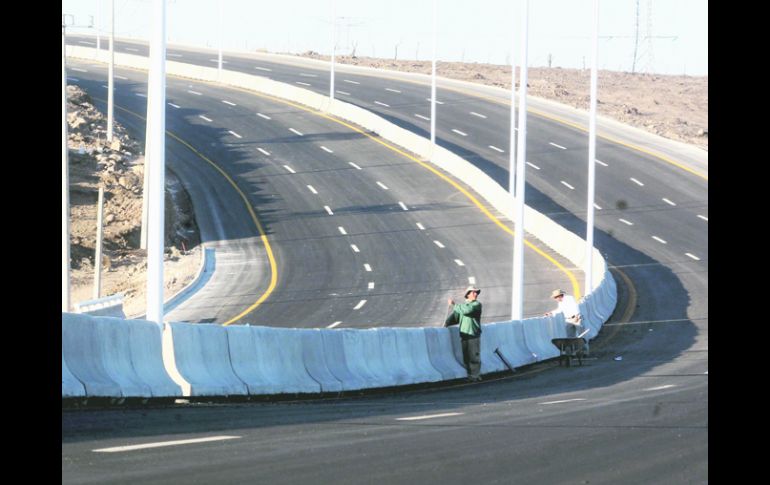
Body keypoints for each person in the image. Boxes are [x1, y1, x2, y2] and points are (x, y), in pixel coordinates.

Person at [444, 285, 483, 382]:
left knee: (473, 356)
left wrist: (454, 305)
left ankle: (475, 375)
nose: (475, 294)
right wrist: (446, 323)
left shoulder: (476, 305)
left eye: (476, 292)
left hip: (473, 335)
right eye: (473, 292)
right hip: (464, 335)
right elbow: (455, 317)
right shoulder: (462, 307)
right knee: (466, 357)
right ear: (468, 294)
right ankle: (471, 375)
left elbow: (466, 311)